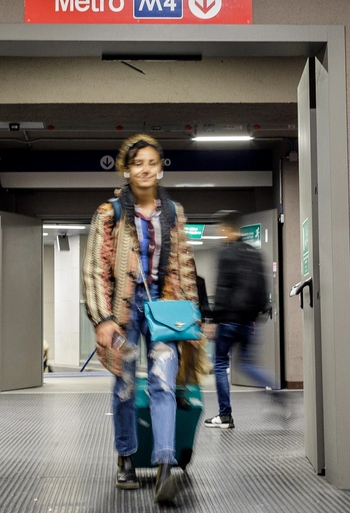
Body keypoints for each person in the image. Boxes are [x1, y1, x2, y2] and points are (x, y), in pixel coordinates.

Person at [83, 134, 200, 504]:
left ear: (161, 169)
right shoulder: (110, 213)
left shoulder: (173, 213)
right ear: (126, 170)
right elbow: (94, 268)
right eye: (138, 163)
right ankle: (127, 456)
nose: (145, 169)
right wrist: (102, 319)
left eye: (152, 162)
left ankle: (165, 463)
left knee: (164, 384)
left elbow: (183, 264)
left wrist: (192, 315)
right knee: (126, 387)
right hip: (123, 313)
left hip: (164, 312)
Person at [202, 211, 279, 429]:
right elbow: (263, 289)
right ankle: (274, 389)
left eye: (220, 230)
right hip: (248, 321)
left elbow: (222, 288)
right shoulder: (255, 253)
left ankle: (225, 415)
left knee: (220, 365)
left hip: (227, 320)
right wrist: (255, 316)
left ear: (226, 229)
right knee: (246, 364)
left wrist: (213, 320)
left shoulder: (225, 254)